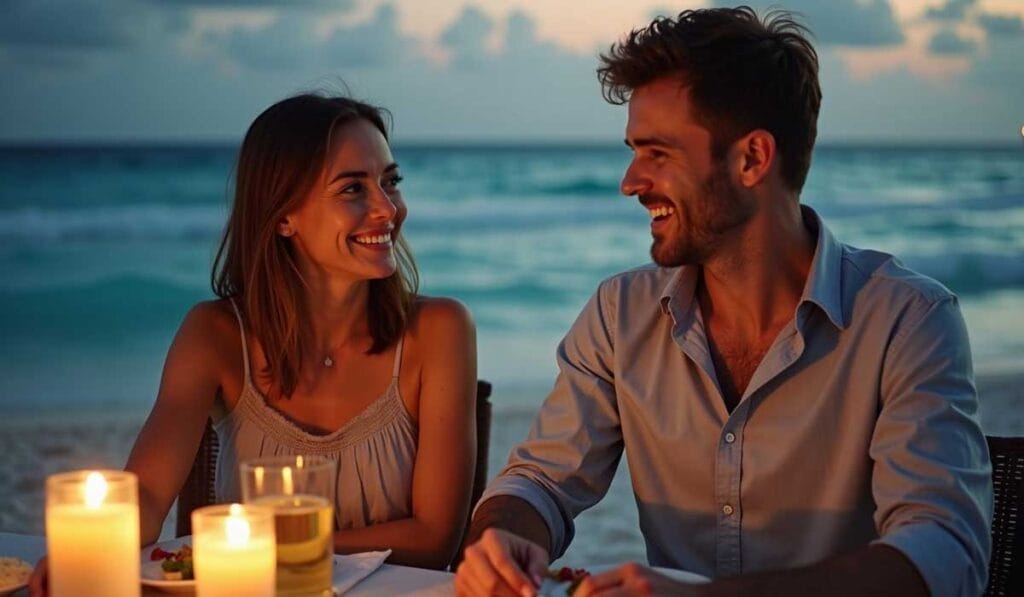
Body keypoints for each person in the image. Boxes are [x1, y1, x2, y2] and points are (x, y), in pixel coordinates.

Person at [455, 7, 991, 597]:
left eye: (657, 153)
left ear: (752, 159)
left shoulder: (908, 321)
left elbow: (944, 554)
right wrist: (501, 536)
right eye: (633, 151)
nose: (630, 181)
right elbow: (539, 481)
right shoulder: (619, 314)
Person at [32, 93, 477, 595]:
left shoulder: (439, 330)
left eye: (390, 182)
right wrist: (86, 549)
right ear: (284, 216)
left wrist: (258, 543)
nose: (387, 209)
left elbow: (435, 537)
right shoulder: (215, 335)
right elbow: (149, 496)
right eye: (354, 188)